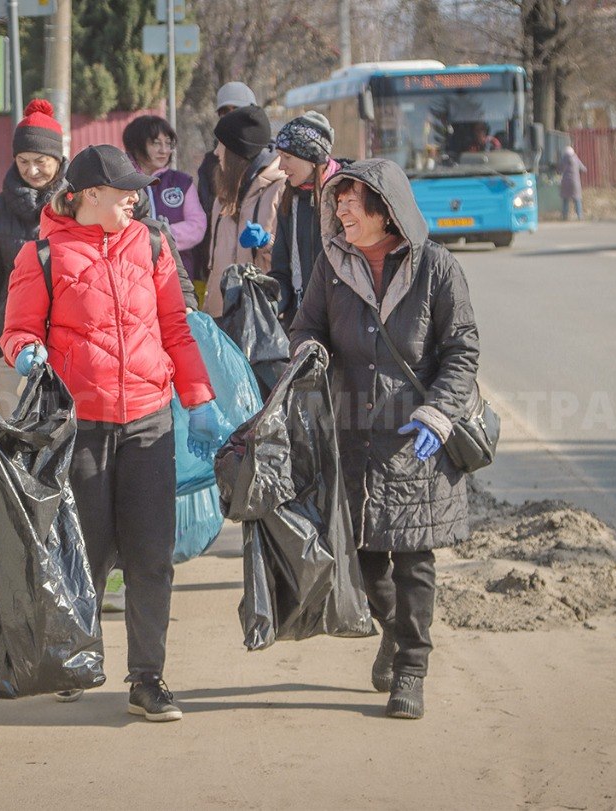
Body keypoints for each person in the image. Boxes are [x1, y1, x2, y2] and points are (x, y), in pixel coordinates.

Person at [0, 144, 230, 722]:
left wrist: (198, 400)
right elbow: (17, 330)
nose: (136, 197)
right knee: (88, 554)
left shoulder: (150, 244)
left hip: (149, 420)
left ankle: (147, 679)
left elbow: (176, 326)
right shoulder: (43, 255)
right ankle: (74, 655)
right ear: (90, 195)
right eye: (125, 189)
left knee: (153, 554)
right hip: (84, 426)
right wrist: (26, 352)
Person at [289, 158, 480, 721]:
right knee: (365, 558)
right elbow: (306, 328)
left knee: (414, 559)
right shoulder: (332, 265)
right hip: (351, 436)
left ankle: (412, 671)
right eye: (337, 202)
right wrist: (308, 356)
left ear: (385, 208)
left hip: (415, 436)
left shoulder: (437, 268)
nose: (339, 210)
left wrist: (437, 413)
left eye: (349, 200)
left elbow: (462, 349)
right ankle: (394, 634)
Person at [0, 99, 66, 416]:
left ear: (57, 158)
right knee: (16, 428)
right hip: (10, 342)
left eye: (40, 161)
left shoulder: (78, 203)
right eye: (23, 161)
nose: (32, 170)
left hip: (67, 343)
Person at [201, 104, 288, 317]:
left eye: (221, 145)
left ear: (237, 153)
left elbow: (293, 259)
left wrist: (266, 242)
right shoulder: (223, 193)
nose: (215, 152)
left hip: (260, 317)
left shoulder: (281, 189)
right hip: (220, 317)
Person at [270, 111, 345, 327]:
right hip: (302, 322)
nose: (281, 166)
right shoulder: (290, 198)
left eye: (287, 157)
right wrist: (269, 303)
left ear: (311, 158)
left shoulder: (347, 195)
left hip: (343, 322)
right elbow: (281, 272)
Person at [194, 81, 258, 299]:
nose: (231, 117)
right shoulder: (210, 163)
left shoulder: (274, 164)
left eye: (237, 110)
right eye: (225, 112)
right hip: (221, 276)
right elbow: (206, 217)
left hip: (257, 281)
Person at [122, 114, 206, 280]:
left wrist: (163, 234)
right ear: (137, 145)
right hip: (132, 274)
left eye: (168, 143)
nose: (164, 150)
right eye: (156, 143)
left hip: (176, 275)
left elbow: (197, 225)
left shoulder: (182, 183)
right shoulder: (122, 182)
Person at [558, 145, 588, 221]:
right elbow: (583, 169)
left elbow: (559, 170)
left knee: (565, 200)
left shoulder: (563, 159)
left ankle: (565, 216)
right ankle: (579, 216)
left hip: (565, 182)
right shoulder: (576, 158)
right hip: (575, 183)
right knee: (577, 199)